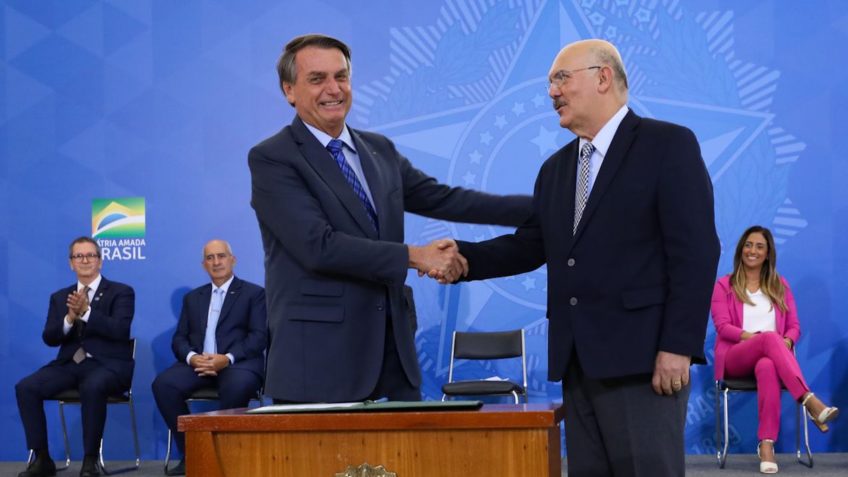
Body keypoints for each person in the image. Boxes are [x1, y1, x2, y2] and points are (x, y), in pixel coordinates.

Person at [439, 39, 720, 475]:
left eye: (561, 79)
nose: (552, 92)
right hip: (579, 364)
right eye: (551, 83)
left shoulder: (667, 145)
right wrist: (462, 259)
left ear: (603, 77)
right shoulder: (555, 169)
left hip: (645, 362)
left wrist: (678, 346)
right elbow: (531, 244)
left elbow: (696, 251)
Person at [248, 34, 532, 403]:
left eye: (341, 76)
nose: (333, 89)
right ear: (289, 90)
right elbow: (319, 247)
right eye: (317, 79)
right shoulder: (273, 158)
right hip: (320, 361)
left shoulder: (378, 149)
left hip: (394, 355)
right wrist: (416, 256)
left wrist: (545, 208)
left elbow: (443, 199)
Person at [711, 226, 838, 474]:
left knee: (768, 364)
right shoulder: (724, 285)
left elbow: (794, 327)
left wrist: (785, 342)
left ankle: (767, 445)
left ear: (768, 253)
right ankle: (810, 401)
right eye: (748, 245)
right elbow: (723, 327)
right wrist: (760, 339)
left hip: (770, 358)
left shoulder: (780, 286)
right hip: (735, 357)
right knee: (769, 338)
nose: (752, 250)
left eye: (759, 246)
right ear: (741, 249)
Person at [15, 237, 135, 477]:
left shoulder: (121, 292)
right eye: (79, 256)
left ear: (100, 261)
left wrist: (86, 313)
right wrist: (69, 318)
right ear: (71, 263)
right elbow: (50, 338)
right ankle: (42, 458)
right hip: (69, 365)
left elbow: (120, 331)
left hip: (109, 365)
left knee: (93, 385)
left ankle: (90, 460)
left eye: (91, 255)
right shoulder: (60, 297)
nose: (85, 260)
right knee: (26, 387)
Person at [152, 240, 267, 476]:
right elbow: (179, 338)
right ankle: (193, 453)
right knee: (163, 385)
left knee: (237, 385)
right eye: (210, 258)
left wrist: (227, 358)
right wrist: (193, 358)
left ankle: (226, 457)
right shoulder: (193, 298)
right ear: (203, 265)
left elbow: (259, 337)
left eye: (221, 256)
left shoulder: (254, 294)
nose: (216, 262)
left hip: (238, 364)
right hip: (199, 364)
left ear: (232, 260)